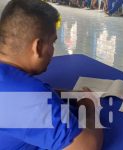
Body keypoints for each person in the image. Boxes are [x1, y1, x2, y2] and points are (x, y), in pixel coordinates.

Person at [0, 0, 103, 149]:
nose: (53, 51)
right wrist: (90, 109)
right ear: (38, 47)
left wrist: (72, 95)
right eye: (53, 43)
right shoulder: (27, 96)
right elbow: (86, 146)